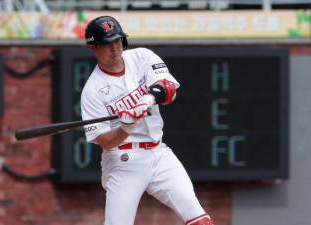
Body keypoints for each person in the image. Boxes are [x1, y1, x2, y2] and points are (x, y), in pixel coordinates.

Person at [80, 16, 214, 225]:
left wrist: (148, 98)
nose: (114, 48)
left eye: (117, 41)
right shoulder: (92, 90)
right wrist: (125, 127)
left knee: (200, 220)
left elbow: (169, 89)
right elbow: (104, 141)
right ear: (92, 47)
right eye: (107, 44)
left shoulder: (142, 56)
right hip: (123, 160)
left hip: (159, 153)